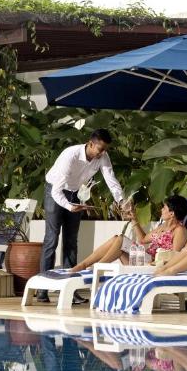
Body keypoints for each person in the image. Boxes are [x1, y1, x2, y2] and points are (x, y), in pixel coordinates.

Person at [38, 129, 123, 302]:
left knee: (71, 241)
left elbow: (110, 179)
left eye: (105, 149)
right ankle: (43, 289)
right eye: (100, 149)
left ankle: (70, 289)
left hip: (75, 192)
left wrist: (121, 201)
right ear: (90, 144)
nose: (102, 153)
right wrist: (69, 206)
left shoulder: (103, 157)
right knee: (52, 238)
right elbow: (56, 190)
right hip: (55, 191)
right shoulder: (70, 155)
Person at [67, 195, 187, 273]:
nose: (161, 210)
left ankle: (97, 267)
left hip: (153, 265)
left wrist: (154, 263)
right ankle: (86, 265)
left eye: (164, 208)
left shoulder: (179, 230)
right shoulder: (162, 227)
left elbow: (174, 256)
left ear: (172, 213)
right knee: (117, 240)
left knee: (120, 239)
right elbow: (143, 240)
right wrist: (134, 219)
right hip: (143, 259)